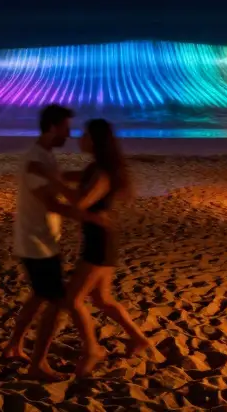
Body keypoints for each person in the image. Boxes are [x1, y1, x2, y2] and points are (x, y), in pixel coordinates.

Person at [1, 104, 100, 380]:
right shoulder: (37, 160)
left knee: (38, 297)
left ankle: (13, 345)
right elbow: (50, 203)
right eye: (66, 129)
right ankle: (38, 365)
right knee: (57, 302)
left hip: (41, 240)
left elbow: (56, 182)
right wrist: (87, 215)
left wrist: (93, 174)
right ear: (53, 127)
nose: (69, 135)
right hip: (37, 244)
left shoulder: (44, 157)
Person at [55, 119, 152, 378]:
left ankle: (92, 351)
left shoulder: (102, 172)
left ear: (95, 140)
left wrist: (58, 187)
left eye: (85, 135)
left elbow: (80, 205)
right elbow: (68, 177)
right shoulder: (93, 168)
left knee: (73, 300)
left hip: (100, 242)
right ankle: (138, 339)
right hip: (100, 238)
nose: (80, 138)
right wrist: (48, 173)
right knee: (102, 299)